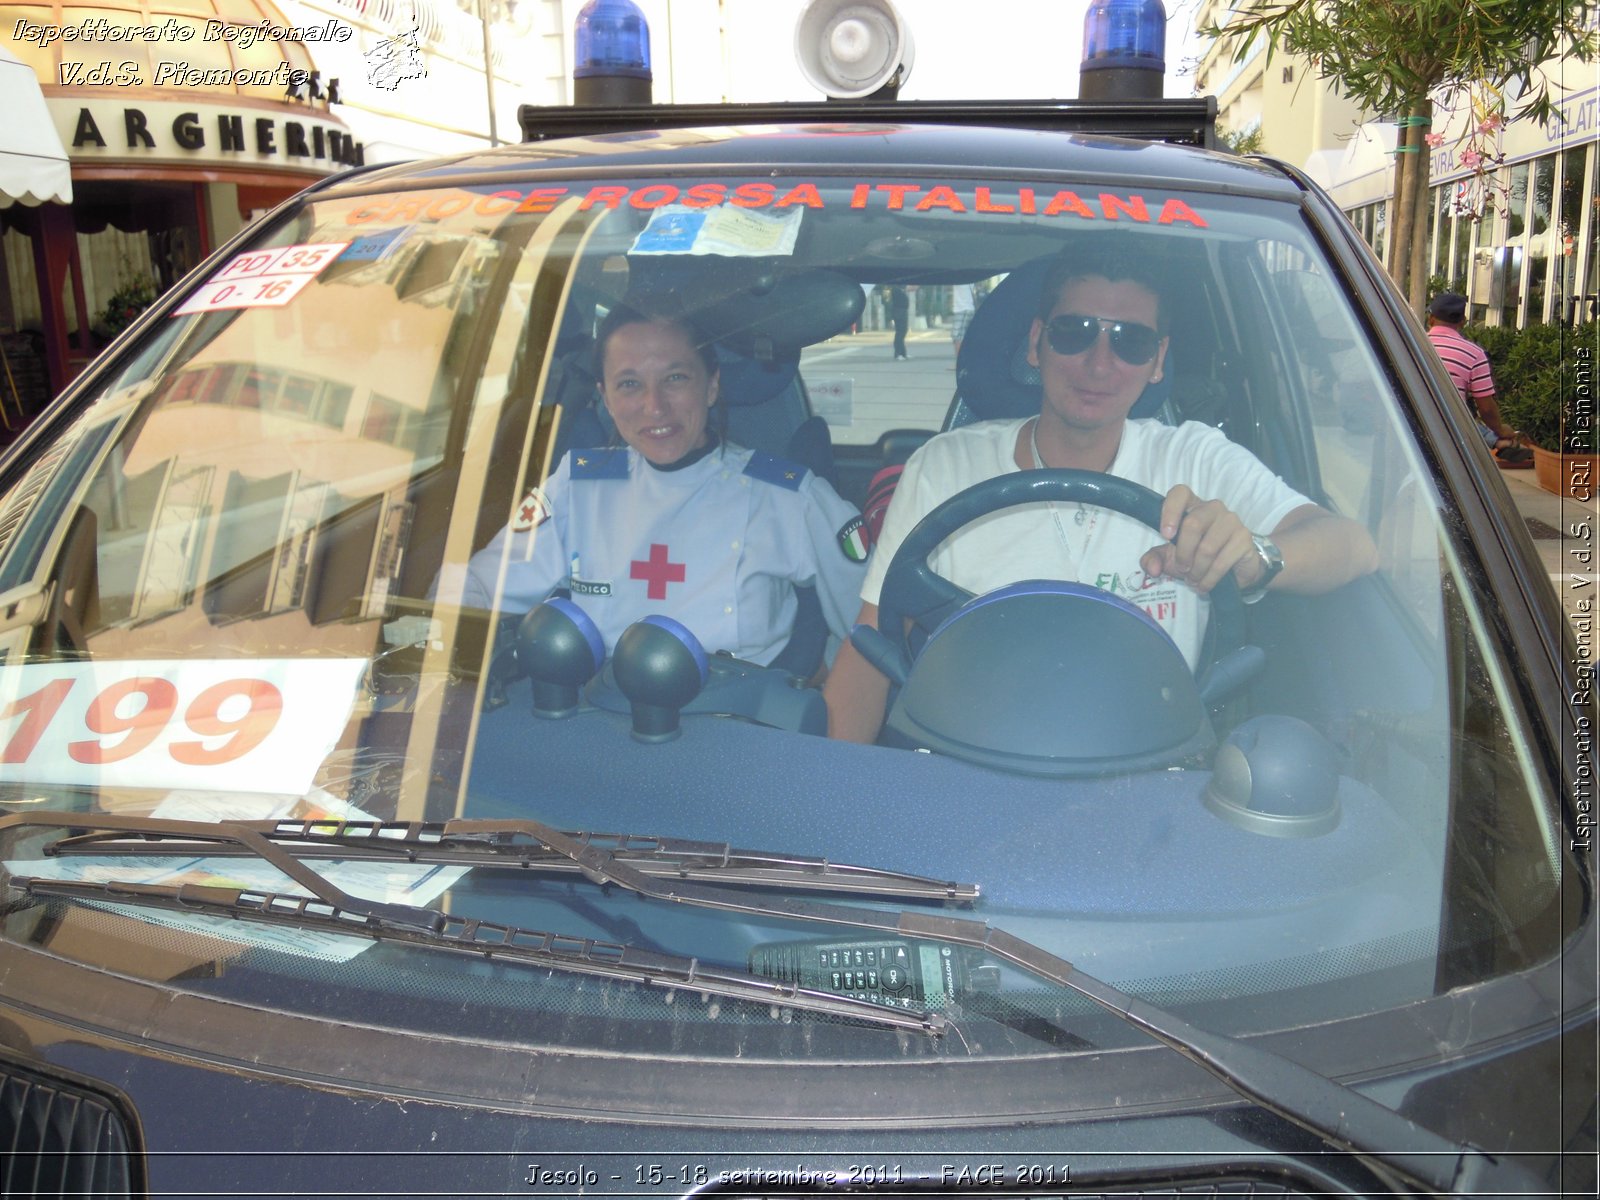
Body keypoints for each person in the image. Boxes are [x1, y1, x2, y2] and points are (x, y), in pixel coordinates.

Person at [825, 246, 1380, 743]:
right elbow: (871, 650)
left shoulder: (1195, 458)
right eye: (1075, 332)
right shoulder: (944, 467)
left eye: (1130, 341)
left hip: (1149, 769)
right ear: (1037, 343)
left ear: (1158, 360)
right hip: (967, 759)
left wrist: (1256, 557)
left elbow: (1352, 546)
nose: (1099, 362)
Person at [444, 297, 868, 671]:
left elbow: (866, 626)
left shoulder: (789, 498)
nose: (655, 407)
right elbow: (484, 584)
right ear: (605, 397)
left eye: (675, 378)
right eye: (630, 384)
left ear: (712, 385)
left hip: (737, 724)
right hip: (598, 718)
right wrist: (432, 627)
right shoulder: (577, 486)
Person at [1425, 292, 1531, 468]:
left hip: (1406, 416)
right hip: (1449, 425)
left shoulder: (1412, 344)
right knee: (1458, 413)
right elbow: (1487, 409)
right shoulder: (1473, 354)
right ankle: (1498, 442)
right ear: (1463, 321)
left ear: (1431, 319)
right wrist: (1500, 430)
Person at [950, 282, 977, 360]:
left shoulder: (960, 277)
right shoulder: (969, 277)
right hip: (968, 308)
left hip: (962, 309)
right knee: (965, 338)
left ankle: (959, 363)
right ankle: (965, 362)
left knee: (957, 337)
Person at [888, 285, 910, 360]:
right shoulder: (896, 290)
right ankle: (898, 354)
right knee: (900, 333)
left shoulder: (900, 289)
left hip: (902, 312)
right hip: (899, 312)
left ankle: (903, 353)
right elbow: (896, 302)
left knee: (903, 332)